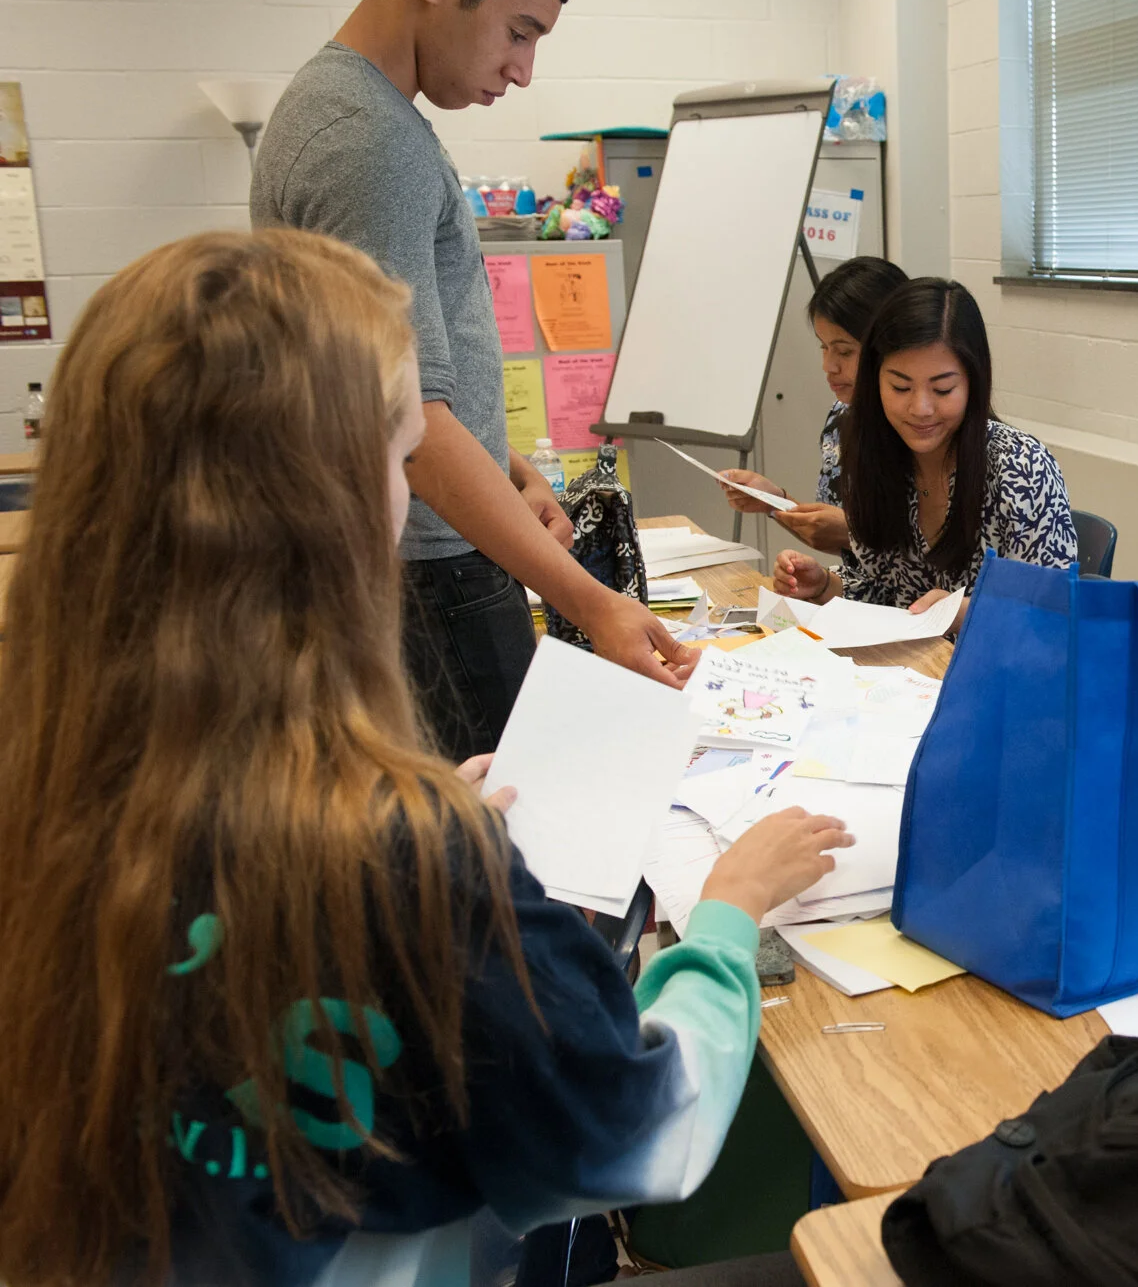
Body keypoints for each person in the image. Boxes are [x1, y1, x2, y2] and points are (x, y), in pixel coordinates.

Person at [0, 230, 851, 1286]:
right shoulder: (408, 863)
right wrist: (727, 911)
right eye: (405, 461)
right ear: (326, 513)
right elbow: (642, 1132)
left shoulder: (50, 793)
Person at [253, 0, 689, 763]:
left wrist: (502, 463)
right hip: (434, 575)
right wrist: (590, 600)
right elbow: (407, 425)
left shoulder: (355, 114)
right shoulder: (366, 143)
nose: (522, 70)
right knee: (513, 865)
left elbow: (412, 394)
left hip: (438, 557)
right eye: (519, 31)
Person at [773, 278, 1077, 612]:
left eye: (943, 390)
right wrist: (824, 587)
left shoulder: (1021, 468)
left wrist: (958, 613)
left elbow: (1052, 616)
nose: (920, 409)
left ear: (973, 384)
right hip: (908, 659)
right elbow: (885, 591)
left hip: (987, 661)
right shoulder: (877, 454)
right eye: (900, 388)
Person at [720, 255, 910, 554]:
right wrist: (774, 501)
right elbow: (834, 533)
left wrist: (851, 535)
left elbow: (928, 561)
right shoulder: (842, 417)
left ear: (888, 346)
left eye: (844, 352)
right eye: (824, 347)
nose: (828, 366)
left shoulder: (920, 427)